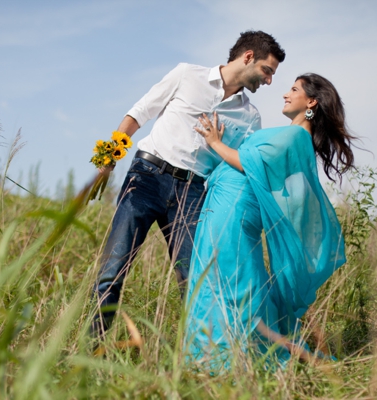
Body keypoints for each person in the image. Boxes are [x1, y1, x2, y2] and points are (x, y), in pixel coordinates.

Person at [91, 31, 286, 338]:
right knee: (112, 271)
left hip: (194, 194)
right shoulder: (187, 75)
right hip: (146, 178)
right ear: (248, 57)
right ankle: (91, 350)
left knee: (195, 282)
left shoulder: (250, 116)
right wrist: (109, 156)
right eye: (267, 71)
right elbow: (140, 112)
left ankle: (194, 362)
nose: (269, 81)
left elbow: (243, 163)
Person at [184, 73, 355, 368]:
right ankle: (218, 351)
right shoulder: (288, 134)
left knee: (232, 279)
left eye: (293, 89)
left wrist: (214, 143)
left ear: (311, 101)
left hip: (234, 209)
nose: (285, 94)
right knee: (217, 276)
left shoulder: (296, 135)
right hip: (225, 203)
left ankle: (232, 356)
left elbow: (249, 165)